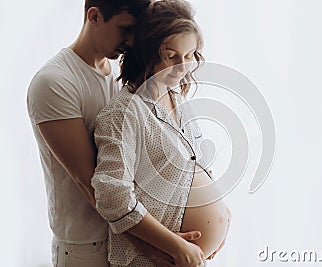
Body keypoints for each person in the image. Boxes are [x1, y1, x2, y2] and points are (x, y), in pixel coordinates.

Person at [27, 1, 201, 266]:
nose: (131, 41)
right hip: (87, 246)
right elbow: (92, 185)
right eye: (125, 29)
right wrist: (158, 247)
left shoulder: (118, 74)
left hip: (123, 240)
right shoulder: (55, 82)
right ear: (94, 16)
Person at [92, 1, 231, 266]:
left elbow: (190, 168)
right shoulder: (124, 114)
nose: (182, 66)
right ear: (147, 52)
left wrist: (222, 213)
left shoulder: (175, 96)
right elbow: (113, 197)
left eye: (189, 55)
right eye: (171, 56)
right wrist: (175, 245)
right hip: (150, 260)